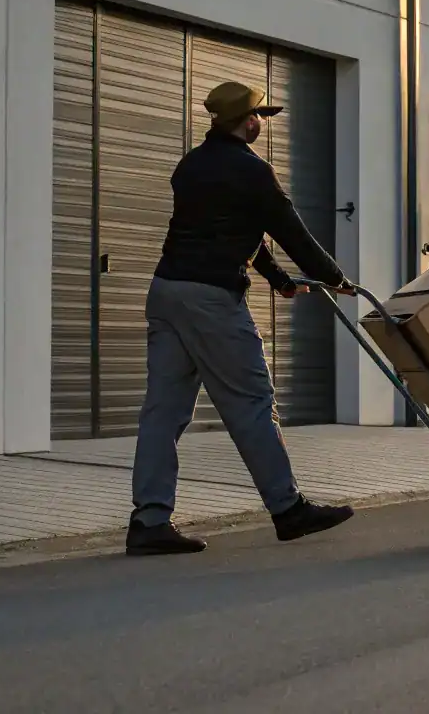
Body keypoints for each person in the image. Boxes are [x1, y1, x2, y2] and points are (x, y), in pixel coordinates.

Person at [126, 80, 357, 556]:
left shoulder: (191, 166)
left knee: (162, 411)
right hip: (211, 299)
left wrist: (276, 279)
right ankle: (288, 509)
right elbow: (290, 230)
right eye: (259, 117)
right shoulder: (253, 171)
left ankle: (149, 521)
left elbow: (243, 230)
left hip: (167, 292)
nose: (262, 124)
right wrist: (335, 278)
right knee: (253, 401)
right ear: (246, 120)